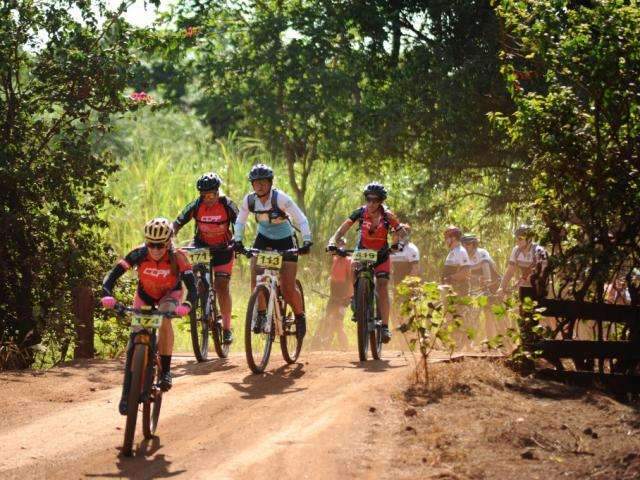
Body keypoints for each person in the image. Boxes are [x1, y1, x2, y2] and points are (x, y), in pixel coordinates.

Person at [101, 217, 197, 415]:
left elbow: (193, 288)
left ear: (169, 242)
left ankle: (167, 371)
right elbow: (112, 276)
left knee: (163, 321)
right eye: (151, 244)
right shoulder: (138, 253)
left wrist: (187, 305)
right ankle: (127, 394)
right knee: (134, 337)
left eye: (160, 245)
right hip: (144, 296)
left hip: (170, 295)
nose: (155, 249)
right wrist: (107, 294)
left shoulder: (178, 257)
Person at [233, 164, 312, 341]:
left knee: (287, 287)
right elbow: (240, 222)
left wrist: (307, 240)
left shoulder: (281, 198)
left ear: (270, 183)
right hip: (264, 239)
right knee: (256, 274)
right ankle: (261, 313)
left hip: (286, 240)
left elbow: (301, 219)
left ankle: (300, 317)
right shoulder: (250, 200)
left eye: (263, 182)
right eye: (256, 182)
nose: (259, 185)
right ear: (252, 185)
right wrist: (237, 240)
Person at [327, 182, 408, 344]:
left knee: (383, 286)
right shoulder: (360, 213)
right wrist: (332, 242)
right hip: (362, 250)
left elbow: (403, 233)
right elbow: (342, 229)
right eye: (368, 199)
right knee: (354, 269)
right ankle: (356, 299)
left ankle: (384, 326)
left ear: (381, 201)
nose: (371, 203)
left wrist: (399, 244)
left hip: (382, 253)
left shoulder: (388, 216)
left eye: (375, 200)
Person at [172, 172, 239, 344]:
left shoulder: (227, 204)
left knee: (222, 287)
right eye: (204, 195)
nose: (208, 199)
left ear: (218, 192)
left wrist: (239, 242)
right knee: (194, 278)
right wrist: (169, 237)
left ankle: (226, 328)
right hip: (201, 245)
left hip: (223, 249)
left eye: (211, 195)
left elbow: (241, 224)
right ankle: (199, 294)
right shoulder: (196, 205)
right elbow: (177, 222)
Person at [312, 236, 352, 350]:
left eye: (342, 244)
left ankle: (345, 347)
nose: (340, 246)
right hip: (334, 295)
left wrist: (347, 297)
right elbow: (333, 279)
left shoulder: (349, 261)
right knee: (327, 319)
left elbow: (350, 281)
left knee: (338, 323)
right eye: (338, 244)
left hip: (344, 297)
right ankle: (326, 346)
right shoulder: (335, 259)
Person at [497, 224, 548, 296]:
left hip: (539, 286)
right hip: (524, 286)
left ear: (529, 239)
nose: (517, 241)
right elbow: (510, 271)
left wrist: (524, 280)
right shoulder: (516, 250)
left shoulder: (538, 250)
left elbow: (542, 273)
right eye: (516, 238)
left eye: (520, 239)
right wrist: (501, 287)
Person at [442, 226, 471, 295]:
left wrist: (451, 278)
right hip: (450, 289)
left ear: (453, 238)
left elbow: (466, 271)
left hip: (459, 290)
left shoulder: (461, 251)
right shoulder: (452, 252)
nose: (445, 240)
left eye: (446, 237)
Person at [390, 224, 421, 288]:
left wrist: (407, 285)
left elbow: (415, 269)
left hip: (408, 286)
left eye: (395, 234)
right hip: (396, 285)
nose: (392, 236)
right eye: (392, 234)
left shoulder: (411, 249)